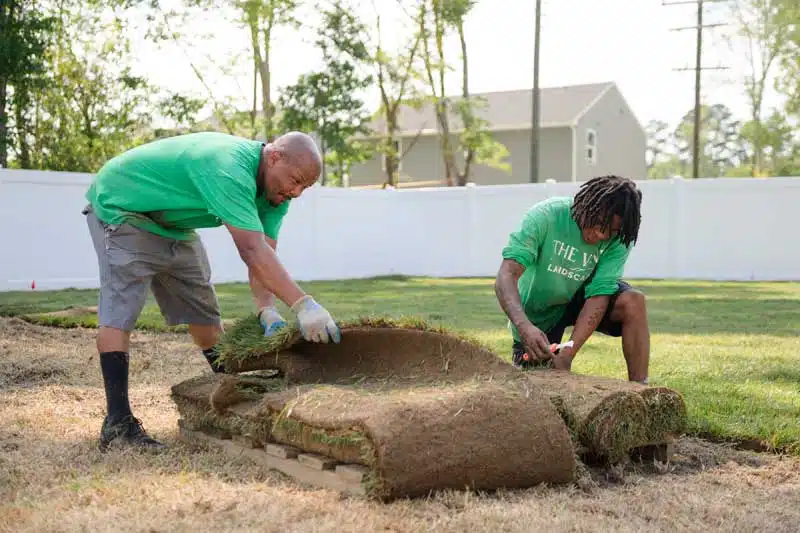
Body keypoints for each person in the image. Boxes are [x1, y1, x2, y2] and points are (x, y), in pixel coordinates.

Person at [82, 130, 341, 452]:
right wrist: (304, 305)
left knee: (204, 314)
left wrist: (267, 309)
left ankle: (231, 397)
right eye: (296, 180)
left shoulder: (277, 193)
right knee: (121, 312)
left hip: (172, 226)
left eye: (305, 187)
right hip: (123, 208)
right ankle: (117, 424)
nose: (297, 192)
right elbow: (250, 249)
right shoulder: (227, 167)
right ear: (274, 157)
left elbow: (264, 255)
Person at [494, 175, 649, 384]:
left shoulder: (620, 237)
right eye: (597, 223)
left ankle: (641, 390)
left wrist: (569, 352)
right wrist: (525, 327)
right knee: (533, 384)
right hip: (541, 309)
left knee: (633, 301)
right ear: (585, 206)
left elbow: (600, 293)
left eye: (610, 231)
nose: (600, 235)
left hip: (584, 299)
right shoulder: (546, 215)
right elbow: (506, 275)